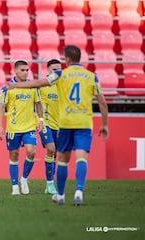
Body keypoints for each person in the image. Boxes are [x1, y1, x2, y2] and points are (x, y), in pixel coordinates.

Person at [7, 45, 109, 206]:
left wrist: (15, 85)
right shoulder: (91, 76)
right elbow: (102, 103)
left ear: (67, 59)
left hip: (65, 123)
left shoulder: (61, 75)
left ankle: (60, 195)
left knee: (62, 159)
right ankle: (78, 191)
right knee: (80, 158)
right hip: (83, 122)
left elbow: (38, 82)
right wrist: (104, 124)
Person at [0, 60, 44, 195]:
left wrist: (41, 119)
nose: (25, 72)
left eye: (27, 70)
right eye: (22, 70)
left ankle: (23, 179)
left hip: (29, 126)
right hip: (13, 128)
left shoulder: (33, 86)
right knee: (14, 155)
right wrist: (0, 126)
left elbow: (38, 103)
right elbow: (1, 107)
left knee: (31, 152)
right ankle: (14, 186)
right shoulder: (8, 87)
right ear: (15, 71)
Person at [38, 59, 62, 195]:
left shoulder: (63, 85)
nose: (58, 72)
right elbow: (34, 102)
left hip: (59, 125)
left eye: (59, 69)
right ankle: (50, 184)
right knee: (51, 149)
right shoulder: (43, 85)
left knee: (54, 155)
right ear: (48, 70)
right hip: (45, 123)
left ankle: (49, 183)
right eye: (54, 70)